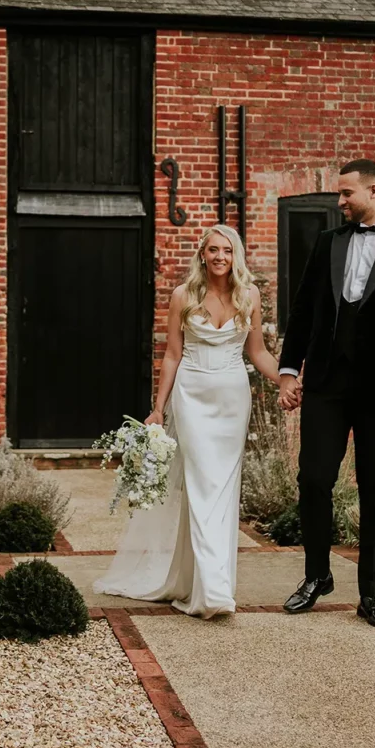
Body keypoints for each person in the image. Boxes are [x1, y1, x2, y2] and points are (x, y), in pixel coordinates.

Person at [276, 159, 375, 628]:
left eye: (346, 193)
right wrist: (290, 371)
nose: (340, 201)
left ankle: (371, 594)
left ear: (374, 190)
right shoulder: (328, 243)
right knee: (312, 479)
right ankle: (317, 575)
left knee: (374, 490)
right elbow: (303, 309)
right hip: (326, 384)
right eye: (339, 194)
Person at [94, 223, 283, 618]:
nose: (220, 257)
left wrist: (288, 378)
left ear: (236, 256)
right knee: (201, 485)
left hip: (232, 398)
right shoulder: (183, 295)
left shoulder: (249, 295)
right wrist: (158, 407)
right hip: (192, 396)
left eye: (227, 251)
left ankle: (208, 583)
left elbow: (259, 352)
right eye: (213, 250)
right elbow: (172, 356)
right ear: (203, 255)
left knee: (224, 487)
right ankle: (213, 591)